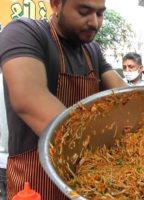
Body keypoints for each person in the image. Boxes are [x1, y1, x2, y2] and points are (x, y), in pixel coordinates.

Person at [0, 0, 126, 199]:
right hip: (35, 184)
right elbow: (29, 99)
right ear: (56, 4)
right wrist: (99, 160)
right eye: (84, 12)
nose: (94, 22)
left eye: (100, 14)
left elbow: (125, 97)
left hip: (88, 183)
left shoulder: (92, 51)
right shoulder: (24, 33)